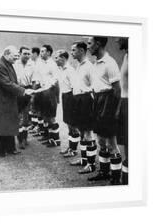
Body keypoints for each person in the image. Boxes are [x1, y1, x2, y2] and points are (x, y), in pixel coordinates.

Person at [87, 36, 122, 184]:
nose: (88, 47)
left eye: (90, 43)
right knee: (100, 140)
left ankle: (115, 177)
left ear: (98, 44)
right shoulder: (95, 63)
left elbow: (117, 90)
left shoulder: (110, 63)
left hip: (108, 102)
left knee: (111, 142)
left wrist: (116, 111)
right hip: (98, 101)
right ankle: (104, 171)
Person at [0, 45, 34, 157]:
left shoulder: (8, 64)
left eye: (17, 56)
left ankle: (10, 148)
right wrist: (23, 91)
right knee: (2, 126)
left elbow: (12, 81)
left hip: (9, 99)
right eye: (15, 56)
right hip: (1, 101)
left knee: (10, 124)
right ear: (6, 54)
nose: (16, 58)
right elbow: (7, 83)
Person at [68, 42, 97, 174]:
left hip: (86, 101)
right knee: (82, 132)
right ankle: (84, 159)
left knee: (88, 134)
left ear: (81, 50)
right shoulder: (78, 66)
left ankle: (91, 164)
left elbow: (95, 86)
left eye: (73, 50)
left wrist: (87, 95)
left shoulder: (89, 66)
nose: (71, 52)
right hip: (78, 100)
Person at [32, 45, 61, 148]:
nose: (41, 53)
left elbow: (56, 80)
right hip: (43, 92)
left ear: (49, 53)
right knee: (45, 116)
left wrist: (56, 96)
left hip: (50, 92)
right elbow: (38, 78)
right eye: (41, 51)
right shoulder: (40, 64)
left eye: (43, 51)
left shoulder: (53, 64)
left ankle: (56, 139)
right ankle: (48, 137)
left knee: (51, 117)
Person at [54, 50, 81, 156]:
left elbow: (75, 87)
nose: (55, 60)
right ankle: (71, 148)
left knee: (73, 124)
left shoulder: (70, 70)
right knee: (68, 124)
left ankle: (73, 150)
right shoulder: (60, 70)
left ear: (63, 58)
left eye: (57, 58)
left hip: (71, 97)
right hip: (65, 96)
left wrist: (74, 103)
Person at [14, 46, 35, 149]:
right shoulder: (14, 64)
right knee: (19, 117)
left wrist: (32, 93)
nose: (27, 56)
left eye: (28, 54)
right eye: (25, 53)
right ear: (20, 53)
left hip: (28, 90)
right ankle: (20, 139)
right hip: (18, 90)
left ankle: (25, 138)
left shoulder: (32, 65)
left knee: (26, 116)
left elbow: (34, 80)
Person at [116, 37, 128, 184]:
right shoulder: (126, 55)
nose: (116, 40)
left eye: (120, 38)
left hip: (132, 102)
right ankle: (125, 180)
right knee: (125, 143)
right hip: (124, 102)